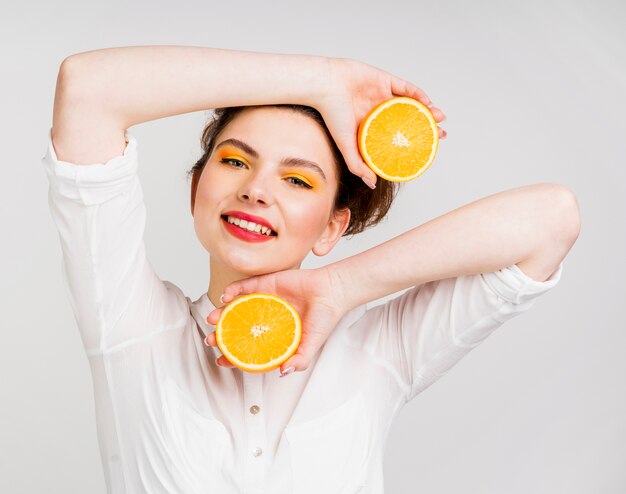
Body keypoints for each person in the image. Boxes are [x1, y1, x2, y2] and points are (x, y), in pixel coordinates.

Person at [42, 46, 579, 494]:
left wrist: (341, 286)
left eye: (298, 180)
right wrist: (323, 80)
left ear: (332, 227)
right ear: (195, 190)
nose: (255, 188)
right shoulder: (132, 326)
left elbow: (551, 219)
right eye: (234, 161)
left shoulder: (377, 348)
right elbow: (88, 88)